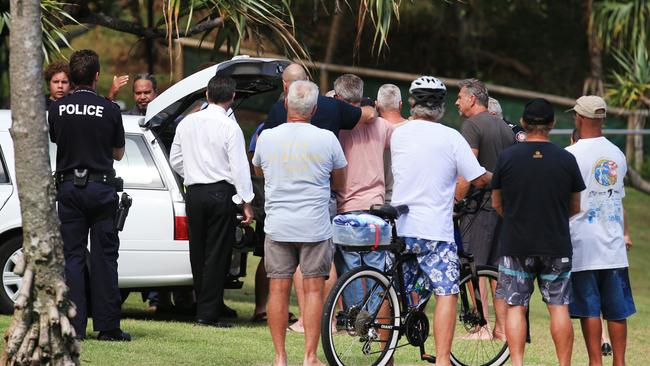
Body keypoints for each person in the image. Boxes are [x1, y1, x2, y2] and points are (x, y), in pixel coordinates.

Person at [390, 76, 492, 366]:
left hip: (402, 227)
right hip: (435, 230)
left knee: (393, 290)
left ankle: (387, 357)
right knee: (446, 292)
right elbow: (477, 176)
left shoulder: (399, 133)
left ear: (411, 103)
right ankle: (444, 360)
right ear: (442, 107)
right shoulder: (451, 138)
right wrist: (498, 178)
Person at [252, 80, 347, 366]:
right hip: (314, 224)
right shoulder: (327, 139)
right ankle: (309, 356)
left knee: (278, 290)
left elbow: (258, 169)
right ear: (315, 109)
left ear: (286, 104)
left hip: (278, 223)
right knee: (314, 289)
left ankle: (280, 357)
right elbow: (340, 181)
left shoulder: (267, 137)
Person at [491, 98, 585, 366]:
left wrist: (516, 219)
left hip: (516, 244)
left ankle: (518, 363)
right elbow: (575, 206)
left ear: (522, 122)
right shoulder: (567, 159)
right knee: (559, 307)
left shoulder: (507, 157)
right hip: (556, 243)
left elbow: (497, 203)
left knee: (516, 306)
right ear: (552, 124)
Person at [48, 49, 130, 341]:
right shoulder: (109, 109)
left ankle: (73, 327)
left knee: (72, 257)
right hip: (101, 188)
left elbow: (58, 139)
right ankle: (108, 327)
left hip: (69, 189)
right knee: (105, 257)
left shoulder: (57, 109)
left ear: (72, 77)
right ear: (97, 76)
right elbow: (119, 154)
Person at [169, 75, 254, 328]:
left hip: (194, 192)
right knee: (217, 253)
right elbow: (239, 168)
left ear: (206, 95)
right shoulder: (230, 127)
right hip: (220, 192)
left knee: (198, 251)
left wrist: (194, 171)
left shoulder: (187, 122)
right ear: (232, 97)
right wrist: (246, 201)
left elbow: (175, 160)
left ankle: (201, 306)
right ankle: (208, 313)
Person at [565, 95, 635, 366]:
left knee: (589, 308)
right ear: (603, 119)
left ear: (579, 119)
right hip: (614, 245)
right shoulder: (617, 154)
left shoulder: (570, 155)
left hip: (582, 243)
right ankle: (620, 362)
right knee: (617, 310)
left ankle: (596, 362)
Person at [454, 79, 513, 340]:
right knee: (496, 269)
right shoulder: (503, 126)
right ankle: (501, 328)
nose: (456, 102)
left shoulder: (472, 125)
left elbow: (468, 170)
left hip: (479, 207)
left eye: (459, 97)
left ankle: (482, 326)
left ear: (472, 99)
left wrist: (456, 201)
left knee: (474, 267)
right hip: (504, 207)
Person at [332, 74, 392, 308]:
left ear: (338, 97)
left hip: (347, 204)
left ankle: (356, 316)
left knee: (350, 266)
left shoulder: (338, 127)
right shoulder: (381, 125)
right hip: (376, 206)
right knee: (376, 264)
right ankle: (376, 317)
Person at [262, 63, 377, 136]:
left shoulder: (276, 109)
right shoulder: (333, 105)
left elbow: (260, 143)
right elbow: (370, 115)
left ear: (284, 85)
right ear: (307, 79)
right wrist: (367, 103)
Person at [375, 83, 406, 204]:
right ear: (401, 105)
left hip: (378, 201)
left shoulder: (370, 131)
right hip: (407, 201)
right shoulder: (414, 129)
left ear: (377, 105)